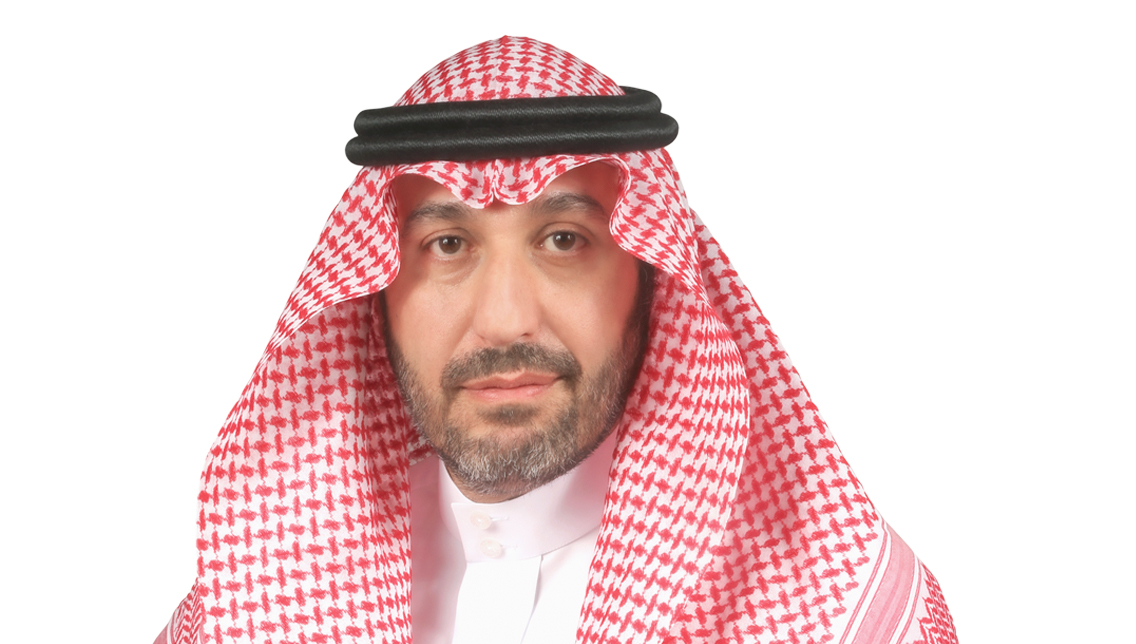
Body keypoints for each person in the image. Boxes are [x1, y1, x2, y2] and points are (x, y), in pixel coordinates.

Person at [157, 36, 958, 644]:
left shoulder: (844, 612)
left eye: (564, 241)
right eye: (447, 245)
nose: (506, 319)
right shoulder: (240, 608)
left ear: (649, 278)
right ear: (375, 293)